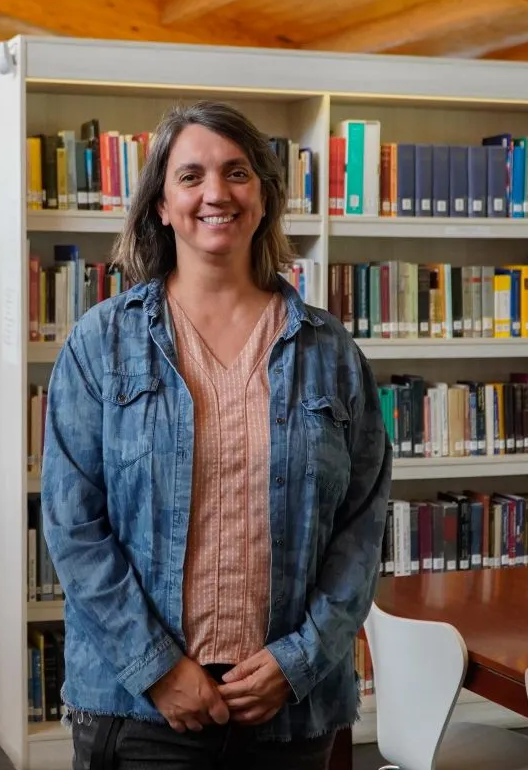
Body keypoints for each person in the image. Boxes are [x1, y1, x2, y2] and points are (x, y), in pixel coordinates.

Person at [41, 100, 392, 769]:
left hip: (290, 710)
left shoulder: (330, 352)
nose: (216, 193)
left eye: (236, 173)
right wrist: (158, 668)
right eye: (191, 176)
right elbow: (73, 525)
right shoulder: (100, 343)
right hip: (139, 709)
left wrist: (300, 659)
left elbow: (363, 524)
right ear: (161, 205)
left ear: (263, 197)